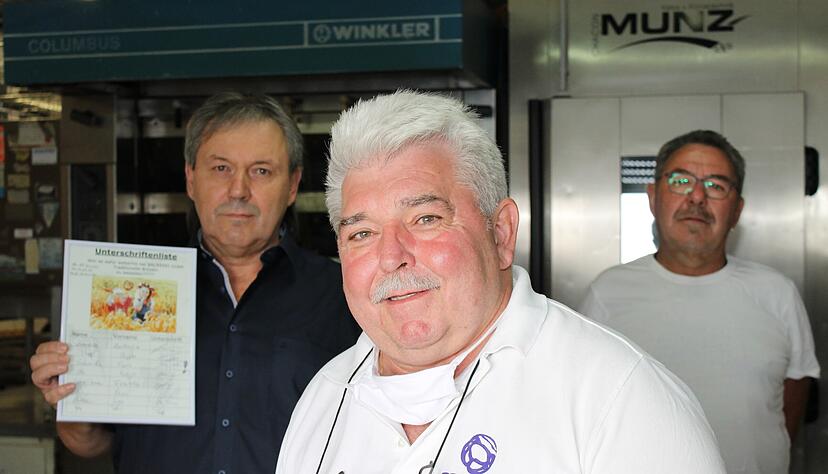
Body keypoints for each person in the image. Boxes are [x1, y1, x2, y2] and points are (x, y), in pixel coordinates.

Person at [275, 91, 726, 473]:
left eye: (426, 218)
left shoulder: (623, 401)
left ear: (502, 232)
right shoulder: (324, 395)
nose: (391, 257)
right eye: (362, 233)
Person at [29, 92, 361, 473]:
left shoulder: (343, 295)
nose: (238, 190)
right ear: (190, 179)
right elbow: (92, 443)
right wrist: (70, 400)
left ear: (292, 186)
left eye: (261, 171)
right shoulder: (133, 294)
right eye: (220, 169)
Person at [579, 130, 820, 474]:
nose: (696, 197)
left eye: (716, 185)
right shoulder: (607, 294)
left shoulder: (778, 294)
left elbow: (795, 391)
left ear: (737, 210)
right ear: (652, 197)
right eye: (680, 181)